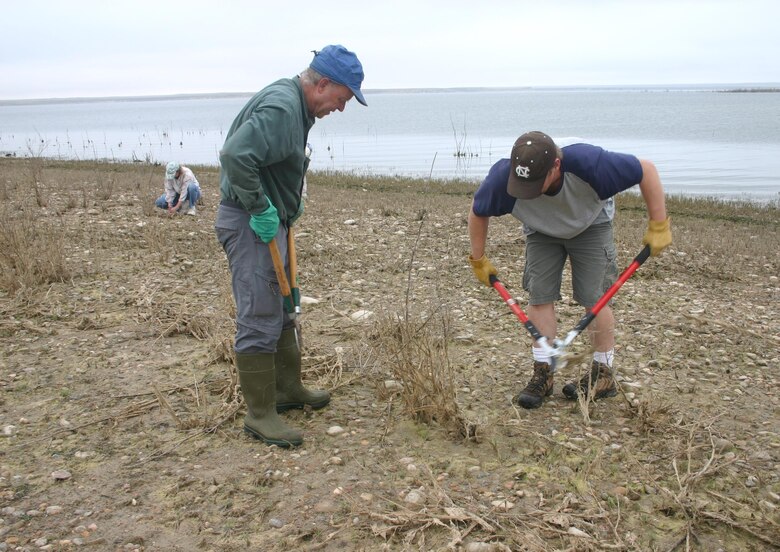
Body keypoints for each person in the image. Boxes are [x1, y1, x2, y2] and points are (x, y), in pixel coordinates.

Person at [215, 45, 367, 447]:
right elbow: (234, 156)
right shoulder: (283, 107)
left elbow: (272, 161)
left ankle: (286, 391)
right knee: (259, 312)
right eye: (342, 98)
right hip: (251, 223)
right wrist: (261, 207)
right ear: (322, 84)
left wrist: (285, 207)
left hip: (271, 220)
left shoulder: (297, 105)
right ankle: (260, 414)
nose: (341, 108)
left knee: (282, 305)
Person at [468, 131, 671, 410]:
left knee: (595, 299)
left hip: (591, 224)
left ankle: (603, 375)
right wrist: (478, 258)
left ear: (556, 167)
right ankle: (544, 372)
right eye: (524, 184)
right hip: (540, 230)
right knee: (540, 295)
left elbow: (645, 170)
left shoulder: (590, 164)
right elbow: (479, 211)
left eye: (537, 182)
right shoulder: (503, 178)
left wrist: (659, 224)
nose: (530, 190)